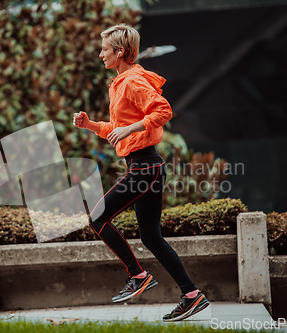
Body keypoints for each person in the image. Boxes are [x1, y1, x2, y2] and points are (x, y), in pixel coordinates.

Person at [72, 23, 209, 321]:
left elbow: (163, 111)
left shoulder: (132, 81)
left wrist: (130, 128)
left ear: (120, 52)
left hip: (145, 167)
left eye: (105, 49)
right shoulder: (122, 82)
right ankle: (191, 295)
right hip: (146, 166)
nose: (100, 54)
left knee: (97, 218)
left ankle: (137, 275)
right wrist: (90, 125)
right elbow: (117, 130)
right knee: (151, 237)